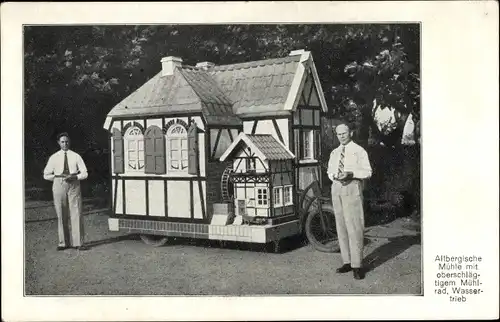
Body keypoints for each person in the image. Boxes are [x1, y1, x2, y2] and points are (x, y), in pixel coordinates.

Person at [327, 123, 372, 280]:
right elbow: (329, 171)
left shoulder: (359, 151)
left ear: (350, 133)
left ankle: (357, 265)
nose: (341, 136)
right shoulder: (334, 152)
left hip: (352, 187)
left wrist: (351, 173)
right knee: (341, 225)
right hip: (337, 188)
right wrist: (334, 176)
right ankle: (347, 261)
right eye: (339, 134)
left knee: (354, 226)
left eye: (344, 133)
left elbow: (367, 172)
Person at [43, 132, 89, 251]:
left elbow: (85, 173)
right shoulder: (54, 157)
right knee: (61, 212)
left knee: (76, 211)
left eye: (67, 141)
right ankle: (63, 242)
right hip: (59, 183)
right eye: (62, 142)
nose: (65, 144)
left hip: (74, 183)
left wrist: (76, 177)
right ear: (58, 143)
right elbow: (46, 174)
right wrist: (58, 178)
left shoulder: (76, 156)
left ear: (70, 142)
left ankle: (78, 243)